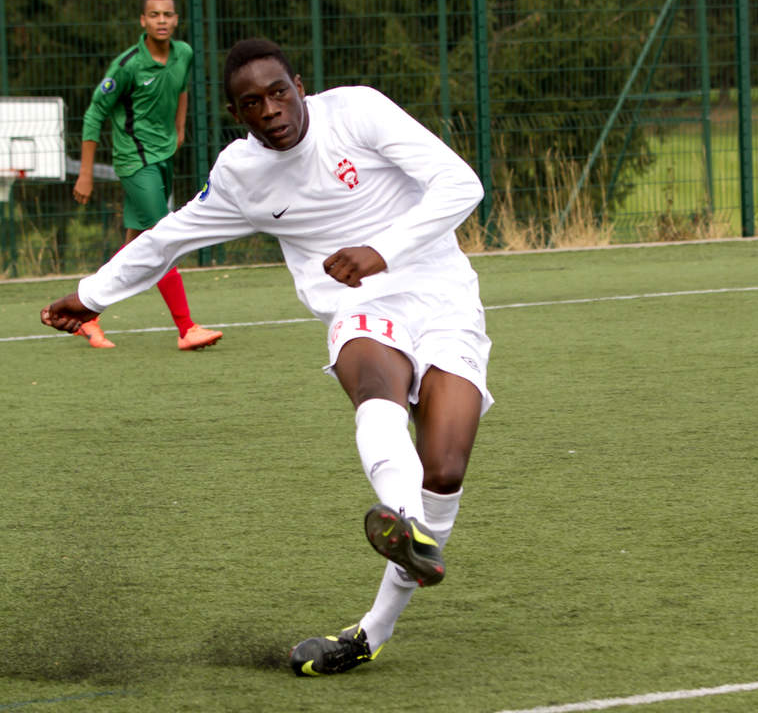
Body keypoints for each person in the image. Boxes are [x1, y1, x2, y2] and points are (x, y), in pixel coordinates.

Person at [41, 38, 493, 676]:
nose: (271, 110)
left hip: (445, 301)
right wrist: (92, 296)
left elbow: (460, 184)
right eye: (252, 103)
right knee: (375, 386)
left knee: (444, 469)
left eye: (279, 92)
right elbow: (169, 236)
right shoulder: (240, 175)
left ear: (300, 85)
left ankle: (373, 628)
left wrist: (379, 249)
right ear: (237, 113)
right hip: (362, 311)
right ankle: (401, 515)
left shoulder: (359, 112)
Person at [72, 0, 222, 351]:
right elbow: (95, 113)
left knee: (136, 246)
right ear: (143, 21)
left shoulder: (183, 53)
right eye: (154, 15)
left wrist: (180, 127)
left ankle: (85, 315)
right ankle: (186, 328)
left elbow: (182, 88)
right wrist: (86, 173)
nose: (162, 21)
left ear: (176, 19)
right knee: (163, 236)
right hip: (134, 161)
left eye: (168, 15)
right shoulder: (127, 66)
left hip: (161, 158)